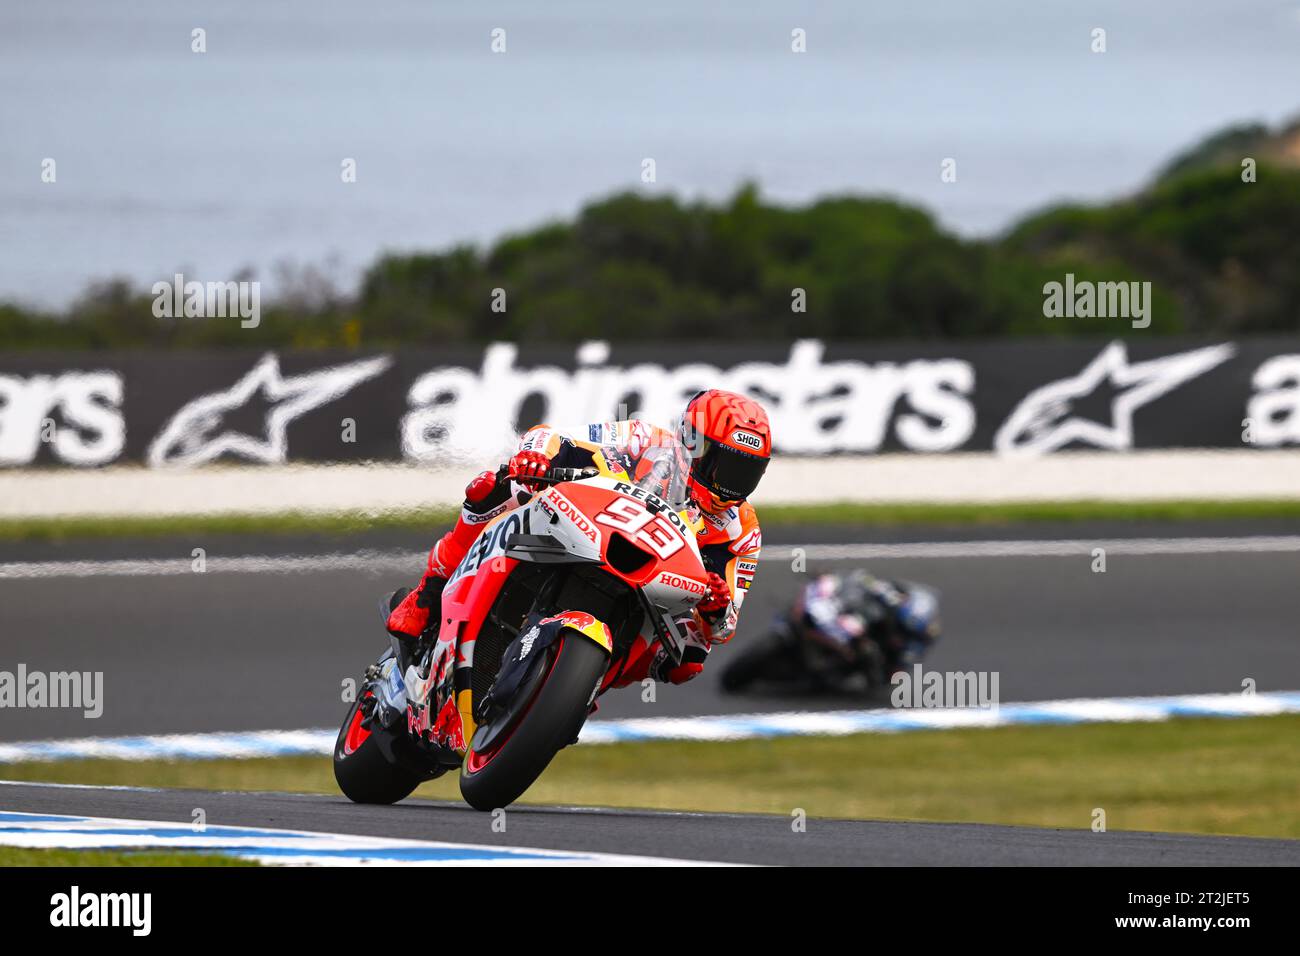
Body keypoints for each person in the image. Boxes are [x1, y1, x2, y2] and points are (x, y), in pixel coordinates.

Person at [386, 388, 772, 685]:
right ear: (693, 442)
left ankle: (583, 684)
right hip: (587, 528)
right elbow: (551, 437)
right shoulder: (643, 440)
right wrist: (535, 459)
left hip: (650, 586)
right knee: (495, 486)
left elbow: (724, 627)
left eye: (746, 474)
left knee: (687, 662)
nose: (731, 486)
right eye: (727, 467)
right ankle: (426, 595)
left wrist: (716, 608)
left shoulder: (744, 530)